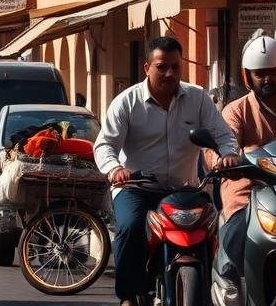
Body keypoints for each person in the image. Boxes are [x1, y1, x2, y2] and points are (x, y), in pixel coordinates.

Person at [94, 35, 240, 306]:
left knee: (213, 228)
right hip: (137, 189)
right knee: (129, 227)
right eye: (162, 67)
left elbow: (223, 134)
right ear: (147, 67)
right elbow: (104, 145)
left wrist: (229, 154)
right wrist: (115, 168)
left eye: (175, 66)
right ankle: (127, 295)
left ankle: (214, 288)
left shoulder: (197, 97)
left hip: (186, 189)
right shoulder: (126, 102)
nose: (169, 73)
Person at [212, 34, 276, 305]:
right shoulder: (235, 111)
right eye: (259, 74)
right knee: (235, 239)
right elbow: (223, 144)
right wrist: (226, 160)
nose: (266, 79)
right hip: (248, 197)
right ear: (248, 77)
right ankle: (231, 287)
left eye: (272, 72)